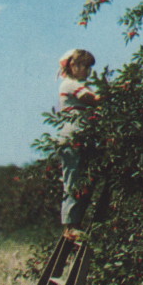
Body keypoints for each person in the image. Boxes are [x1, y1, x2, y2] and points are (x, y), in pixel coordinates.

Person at [56, 49, 102, 240]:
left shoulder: (81, 85)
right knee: (73, 180)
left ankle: (76, 222)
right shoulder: (69, 84)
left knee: (85, 181)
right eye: (84, 66)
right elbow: (94, 100)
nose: (87, 71)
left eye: (89, 67)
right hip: (72, 138)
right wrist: (116, 91)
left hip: (84, 138)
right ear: (73, 65)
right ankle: (70, 226)